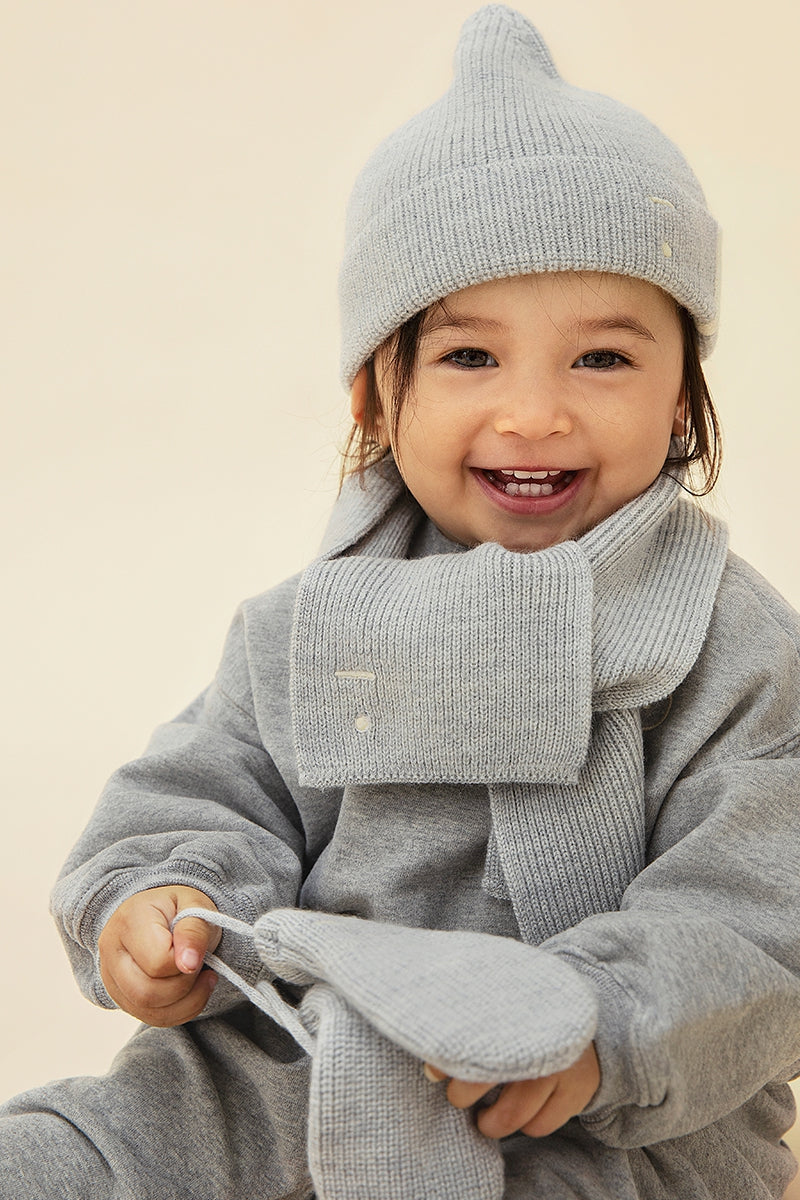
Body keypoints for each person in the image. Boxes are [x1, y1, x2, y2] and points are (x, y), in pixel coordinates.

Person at [2, 4, 799, 1198]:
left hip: (607, 1103)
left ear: (682, 394)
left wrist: (597, 1024)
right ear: (377, 397)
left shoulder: (730, 645)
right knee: (95, 1146)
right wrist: (163, 902)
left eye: (602, 358)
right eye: (469, 357)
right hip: (305, 1048)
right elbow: (205, 788)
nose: (533, 412)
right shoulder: (306, 627)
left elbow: (758, 911)